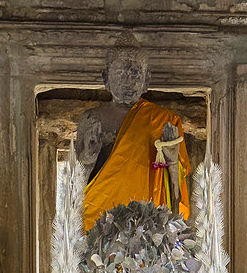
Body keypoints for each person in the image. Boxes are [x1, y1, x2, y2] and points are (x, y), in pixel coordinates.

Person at [76, 45, 191, 227]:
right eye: (120, 72)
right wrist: (88, 160)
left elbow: (172, 188)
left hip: (147, 224)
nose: (127, 79)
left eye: (135, 72)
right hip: (102, 221)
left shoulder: (164, 121)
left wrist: (171, 161)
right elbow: (76, 187)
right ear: (106, 78)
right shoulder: (91, 119)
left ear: (146, 79)